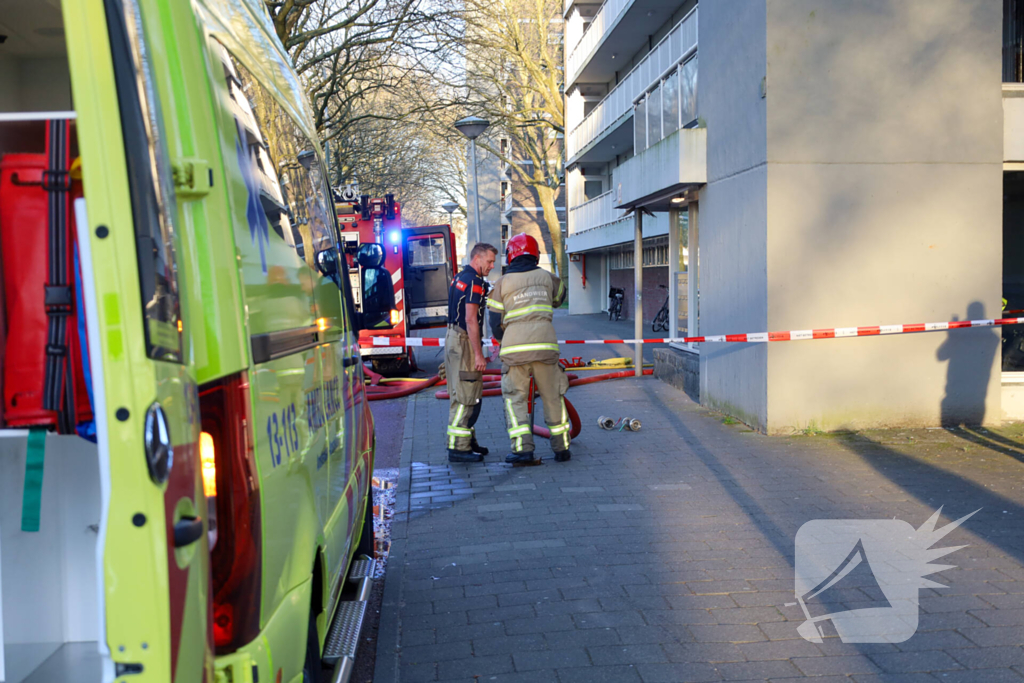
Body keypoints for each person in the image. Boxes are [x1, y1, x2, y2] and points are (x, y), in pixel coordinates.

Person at [487, 234, 570, 465]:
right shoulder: (547, 277)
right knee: (553, 397)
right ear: (536, 254)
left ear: (510, 255)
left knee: (516, 399)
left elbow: (494, 321)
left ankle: (523, 450)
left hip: (515, 351)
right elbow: (560, 297)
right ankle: (561, 448)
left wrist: (504, 339)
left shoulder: (502, 283)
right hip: (546, 347)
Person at [445, 242, 498, 462]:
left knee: (460, 392)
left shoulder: (459, 278)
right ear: (477, 259)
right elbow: (470, 319)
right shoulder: (475, 282)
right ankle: (459, 447)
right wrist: (478, 354)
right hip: (464, 341)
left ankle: (468, 440)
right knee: (467, 395)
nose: (492, 266)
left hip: (451, 337)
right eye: (489, 261)